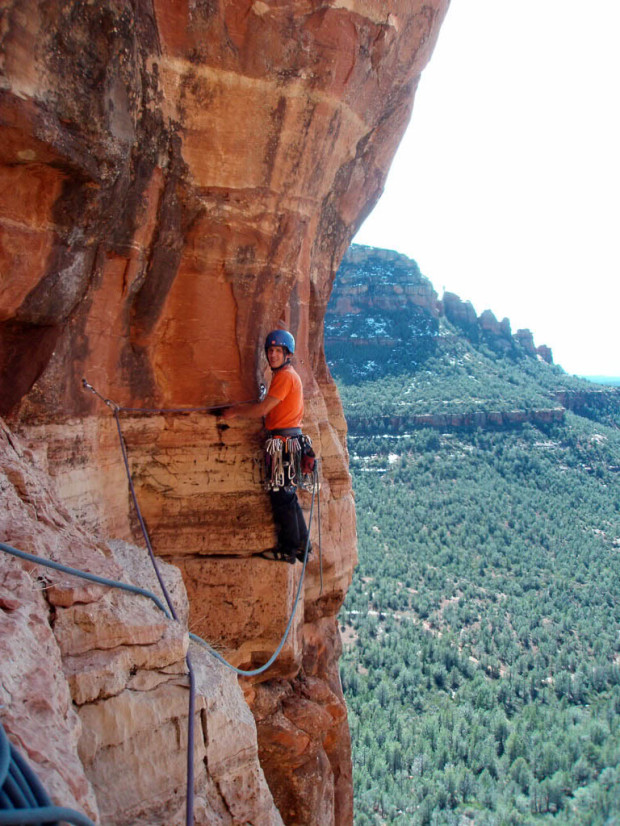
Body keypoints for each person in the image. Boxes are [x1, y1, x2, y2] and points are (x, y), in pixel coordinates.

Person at [221, 330, 313, 564]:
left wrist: (234, 412)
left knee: (281, 497)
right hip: (290, 441)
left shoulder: (285, 377)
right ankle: (303, 545)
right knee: (287, 496)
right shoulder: (287, 375)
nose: (272, 355)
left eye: (277, 351)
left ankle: (289, 550)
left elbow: (263, 410)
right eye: (270, 351)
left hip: (283, 444)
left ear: (287, 354)